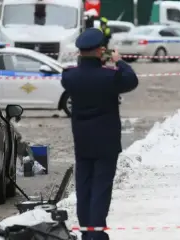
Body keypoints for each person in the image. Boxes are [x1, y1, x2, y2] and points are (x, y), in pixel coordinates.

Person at [61, 28, 138, 240]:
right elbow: (131, 80)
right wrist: (118, 61)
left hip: (83, 142)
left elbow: (79, 72)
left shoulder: (70, 77)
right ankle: (96, 235)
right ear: (99, 51)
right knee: (101, 189)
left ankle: (87, 232)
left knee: (84, 188)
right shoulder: (110, 77)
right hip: (106, 143)